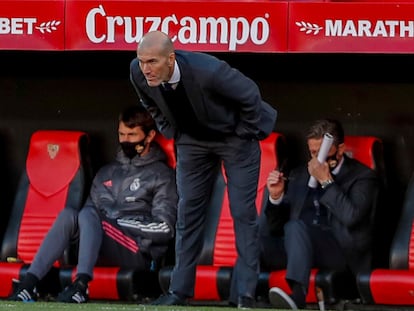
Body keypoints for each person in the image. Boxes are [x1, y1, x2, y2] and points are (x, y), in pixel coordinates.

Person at [129, 31, 277, 309]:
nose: (145, 68)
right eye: (141, 61)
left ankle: (244, 294)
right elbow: (148, 103)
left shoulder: (208, 71)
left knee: (243, 213)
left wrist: (243, 132)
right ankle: (179, 291)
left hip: (233, 138)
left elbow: (250, 94)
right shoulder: (138, 73)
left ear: (170, 59)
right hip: (192, 141)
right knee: (188, 212)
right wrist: (169, 129)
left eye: (152, 62)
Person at [9, 105, 178, 303]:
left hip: (137, 250)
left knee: (91, 216)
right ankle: (29, 283)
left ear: (149, 136)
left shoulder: (162, 175)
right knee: (69, 216)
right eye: (121, 134)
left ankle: (81, 286)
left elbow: (166, 228)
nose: (125, 140)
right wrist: (102, 223)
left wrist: (118, 222)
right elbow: (88, 217)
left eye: (132, 135)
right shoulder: (106, 172)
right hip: (101, 242)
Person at [261, 119, 379, 310]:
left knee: (295, 227)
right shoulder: (300, 174)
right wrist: (276, 197)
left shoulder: (363, 177)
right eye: (312, 153)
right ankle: (244, 297)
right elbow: (276, 226)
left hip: (339, 251)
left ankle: (297, 296)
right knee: (255, 234)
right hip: (299, 247)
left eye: (321, 153)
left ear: (340, 150)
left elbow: (352, 217)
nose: (316, 160)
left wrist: (326, 181)